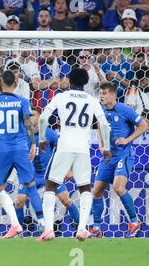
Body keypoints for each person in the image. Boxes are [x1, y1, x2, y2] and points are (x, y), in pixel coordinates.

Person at [37, 68, 111, 242]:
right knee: (85, 187)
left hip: (64, 145)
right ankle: (82, 228)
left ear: (69, 81)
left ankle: (48, 229)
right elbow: (105, 125)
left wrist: (41, 138)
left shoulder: (61, 97)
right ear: (85, 83)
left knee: (51, 186)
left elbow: (42, 118)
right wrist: (106, 146)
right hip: (83, 148)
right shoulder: (92, 100)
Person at [0, 70, 42, 240]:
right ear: (16, 84)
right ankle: (43, 223)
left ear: (0, 84)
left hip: (2, 152)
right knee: (30, 186)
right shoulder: (22, 101)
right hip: (20, 150)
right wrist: (32, 143)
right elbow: (28, 124)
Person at [91, 82, 148, 238]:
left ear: (113, 95)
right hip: (108, 157)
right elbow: (100, 125)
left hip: (124, 155)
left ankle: (134, 222)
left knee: (118, 187)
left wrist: (127, 139)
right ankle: (96, 229)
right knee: (96, 191)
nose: (101, 96)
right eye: (100, 93)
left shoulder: (124, 109)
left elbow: (144, 125)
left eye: (104, 93)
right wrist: (101, 145)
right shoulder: (101, 110)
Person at [14, 108, 80, 230]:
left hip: (50, 174)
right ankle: (17, 231)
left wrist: (68, 168)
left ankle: (81, 227)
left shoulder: (48, 133)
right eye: (27, 116)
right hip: (31, 175)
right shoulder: (23, 134)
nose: (29, 118)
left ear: (40, 117)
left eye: (32, 115)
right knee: (19, 201)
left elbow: (63, 149)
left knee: (65, 200)